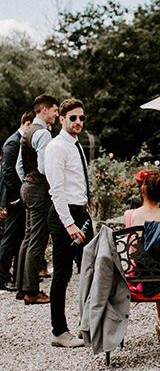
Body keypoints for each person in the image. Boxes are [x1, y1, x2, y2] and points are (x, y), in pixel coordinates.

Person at [45, 98, 93, 348]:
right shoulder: (56, 147)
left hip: (81, 213)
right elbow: (57, 191)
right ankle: (59, 331)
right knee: (62, 274)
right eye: (72, 118)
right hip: (65, 217)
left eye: (81, 118)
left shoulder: (76, 145)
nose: (77, 122)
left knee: (90, 270)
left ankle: (88, 324)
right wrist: (68, 224)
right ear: (61, 119)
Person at [124, 169, 160, 342]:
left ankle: (117, 330)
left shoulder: (129, 216)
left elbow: (131, 249)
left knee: (150, 262)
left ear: (143, 190)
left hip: (137, 277)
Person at [15, 94, 59, 305]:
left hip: (27, 185)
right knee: (37, 240)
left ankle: (21, 288)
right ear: (44, 110)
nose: (56, 114)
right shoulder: (42, 134)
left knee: (28, 237)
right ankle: (32, 291)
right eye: (55, 110)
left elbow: (18, 166)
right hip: (39, 188)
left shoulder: (27, 131)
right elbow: (44, 167)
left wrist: (26, 180)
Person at [0, 111, 34, 290]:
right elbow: (7, 173)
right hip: (13, 198)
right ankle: (2, 276)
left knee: (19, 235)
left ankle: (14, 275)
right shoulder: (12, 143)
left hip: (19, 197)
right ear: (28, 123)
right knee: (11, 236)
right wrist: (15, 197)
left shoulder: (19, 141)